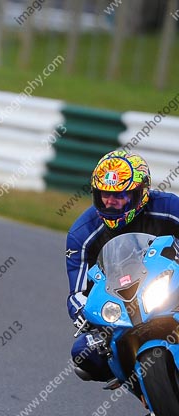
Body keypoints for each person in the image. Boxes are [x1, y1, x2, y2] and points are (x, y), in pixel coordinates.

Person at [66, 150, 179, 382]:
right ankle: (147, 394)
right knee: (84, 355)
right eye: (104, 195)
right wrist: (82, 310)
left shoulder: (169, 207)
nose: (110, 201)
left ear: (141, 192)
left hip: (170, 288)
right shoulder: (82, 234)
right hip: (121, 306)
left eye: (120, 195)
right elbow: (77, 292)